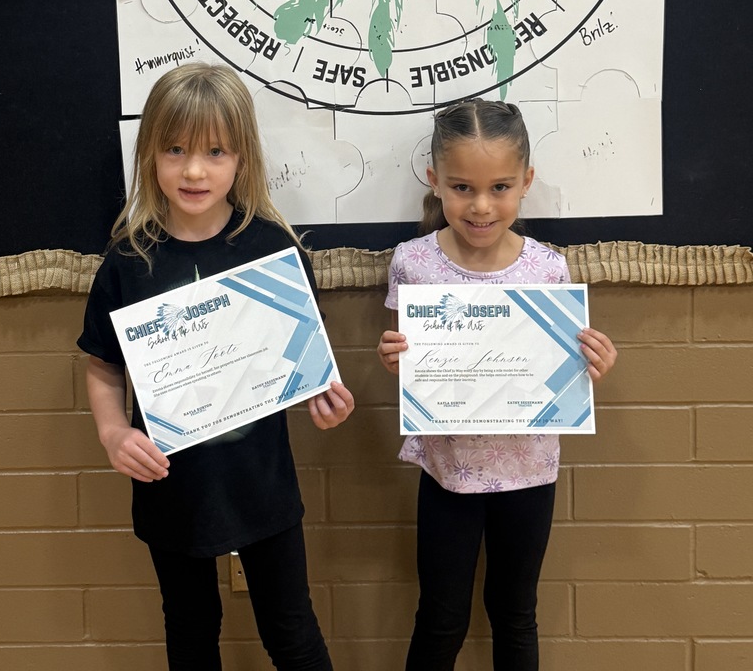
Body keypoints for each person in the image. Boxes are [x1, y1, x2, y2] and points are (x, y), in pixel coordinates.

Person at [78, 63, 354, 671]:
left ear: (242, 157)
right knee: (191, 630)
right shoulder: (129, 261)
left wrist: (322, 396)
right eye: (174, 150)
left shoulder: (274, 251)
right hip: (172, 488)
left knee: (292, 630)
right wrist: (113, 431)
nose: (194, 171)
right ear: (149, 154)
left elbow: (306, 362)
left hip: (262, 485)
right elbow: (103, 365)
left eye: (214, 151)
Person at [377, 99, 617, 671]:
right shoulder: (412, 264)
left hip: (529, 470)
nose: (481, 206)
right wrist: (396, 361)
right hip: (448, 470)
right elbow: (414, 363)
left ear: (526, 182)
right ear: (435, 181)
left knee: (514, 612)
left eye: (500, 187)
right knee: (441, 617)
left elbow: (559, 371)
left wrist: (590, 363)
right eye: (462, 187)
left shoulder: (547, 269)